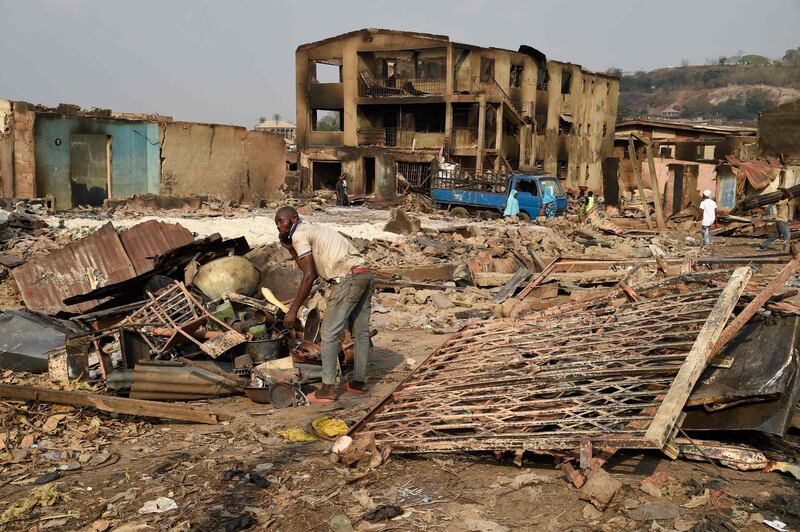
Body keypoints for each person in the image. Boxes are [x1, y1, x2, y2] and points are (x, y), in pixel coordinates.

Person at [274, 206, 373, 403]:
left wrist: (293, 310)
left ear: (294, 219)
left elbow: (309, 276)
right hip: (364, 274)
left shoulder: (300, 233)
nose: (279, 227)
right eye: (276, 223)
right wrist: (289, 248)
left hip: (347, 278)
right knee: (360, 331)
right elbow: (310, 270)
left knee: (328, 333)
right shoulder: (312, 229)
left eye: (281, 221)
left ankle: (327, 389)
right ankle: (358, 383)